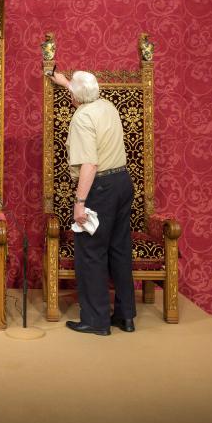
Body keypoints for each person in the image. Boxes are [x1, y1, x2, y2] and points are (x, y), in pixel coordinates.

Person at [51, 70, 135, 336]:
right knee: (119, 250)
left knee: (91, 253)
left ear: (76, 96)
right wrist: (67, 82)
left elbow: (90, 163)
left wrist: (80, 203)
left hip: (100, 188)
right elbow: (85, 92)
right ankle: (125, 317)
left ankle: (96, 320)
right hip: (122, 182)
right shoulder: (106, 105)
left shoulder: (81, 118)